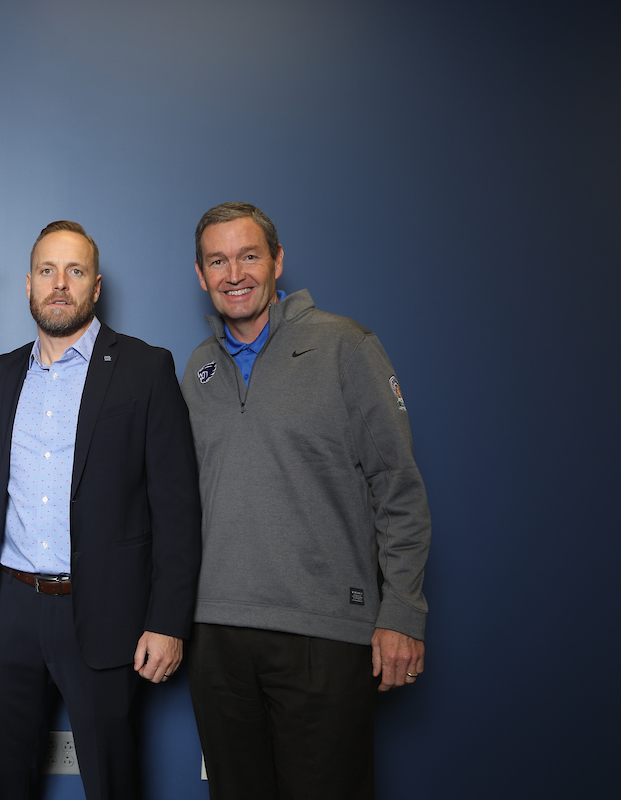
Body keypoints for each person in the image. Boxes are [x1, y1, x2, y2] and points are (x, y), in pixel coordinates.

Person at [181, 202, 432, 799]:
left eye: (248, 256)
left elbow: (398, 487)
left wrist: (402, 612)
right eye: (217, 261)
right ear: (201, 274)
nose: (234, 274)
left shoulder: (345, 345)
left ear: (277, 261)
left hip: (324, 631)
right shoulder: (198, 369)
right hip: (216, 634)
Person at [0, 220, 201, 800]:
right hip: (8, 612)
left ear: (95, 287)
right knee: (3, 782)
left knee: (113, 782)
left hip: (104, 612)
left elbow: (177, 509)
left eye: (75, 271)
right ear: (28, 283)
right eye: (47, 270)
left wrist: (168, 622)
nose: (59, 283)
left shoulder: (146, 368)